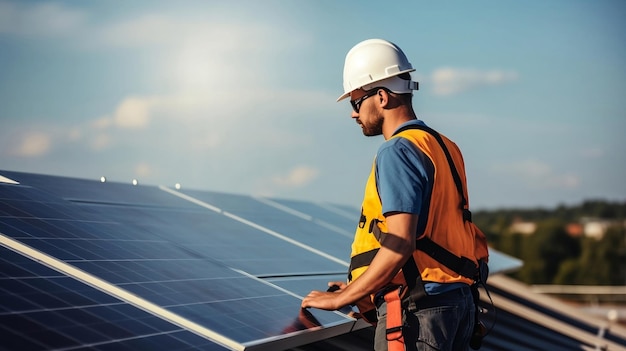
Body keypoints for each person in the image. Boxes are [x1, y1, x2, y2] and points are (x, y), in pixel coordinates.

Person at [301, 38, 489, 351]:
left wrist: (341, 299)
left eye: (356, 102)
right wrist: (362, 287)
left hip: (420, 311)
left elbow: (401, 242)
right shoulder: (443, 146)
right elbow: (432, 237)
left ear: (382, 97)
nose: (353, 114)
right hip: (457, 305)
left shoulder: (397, 151)